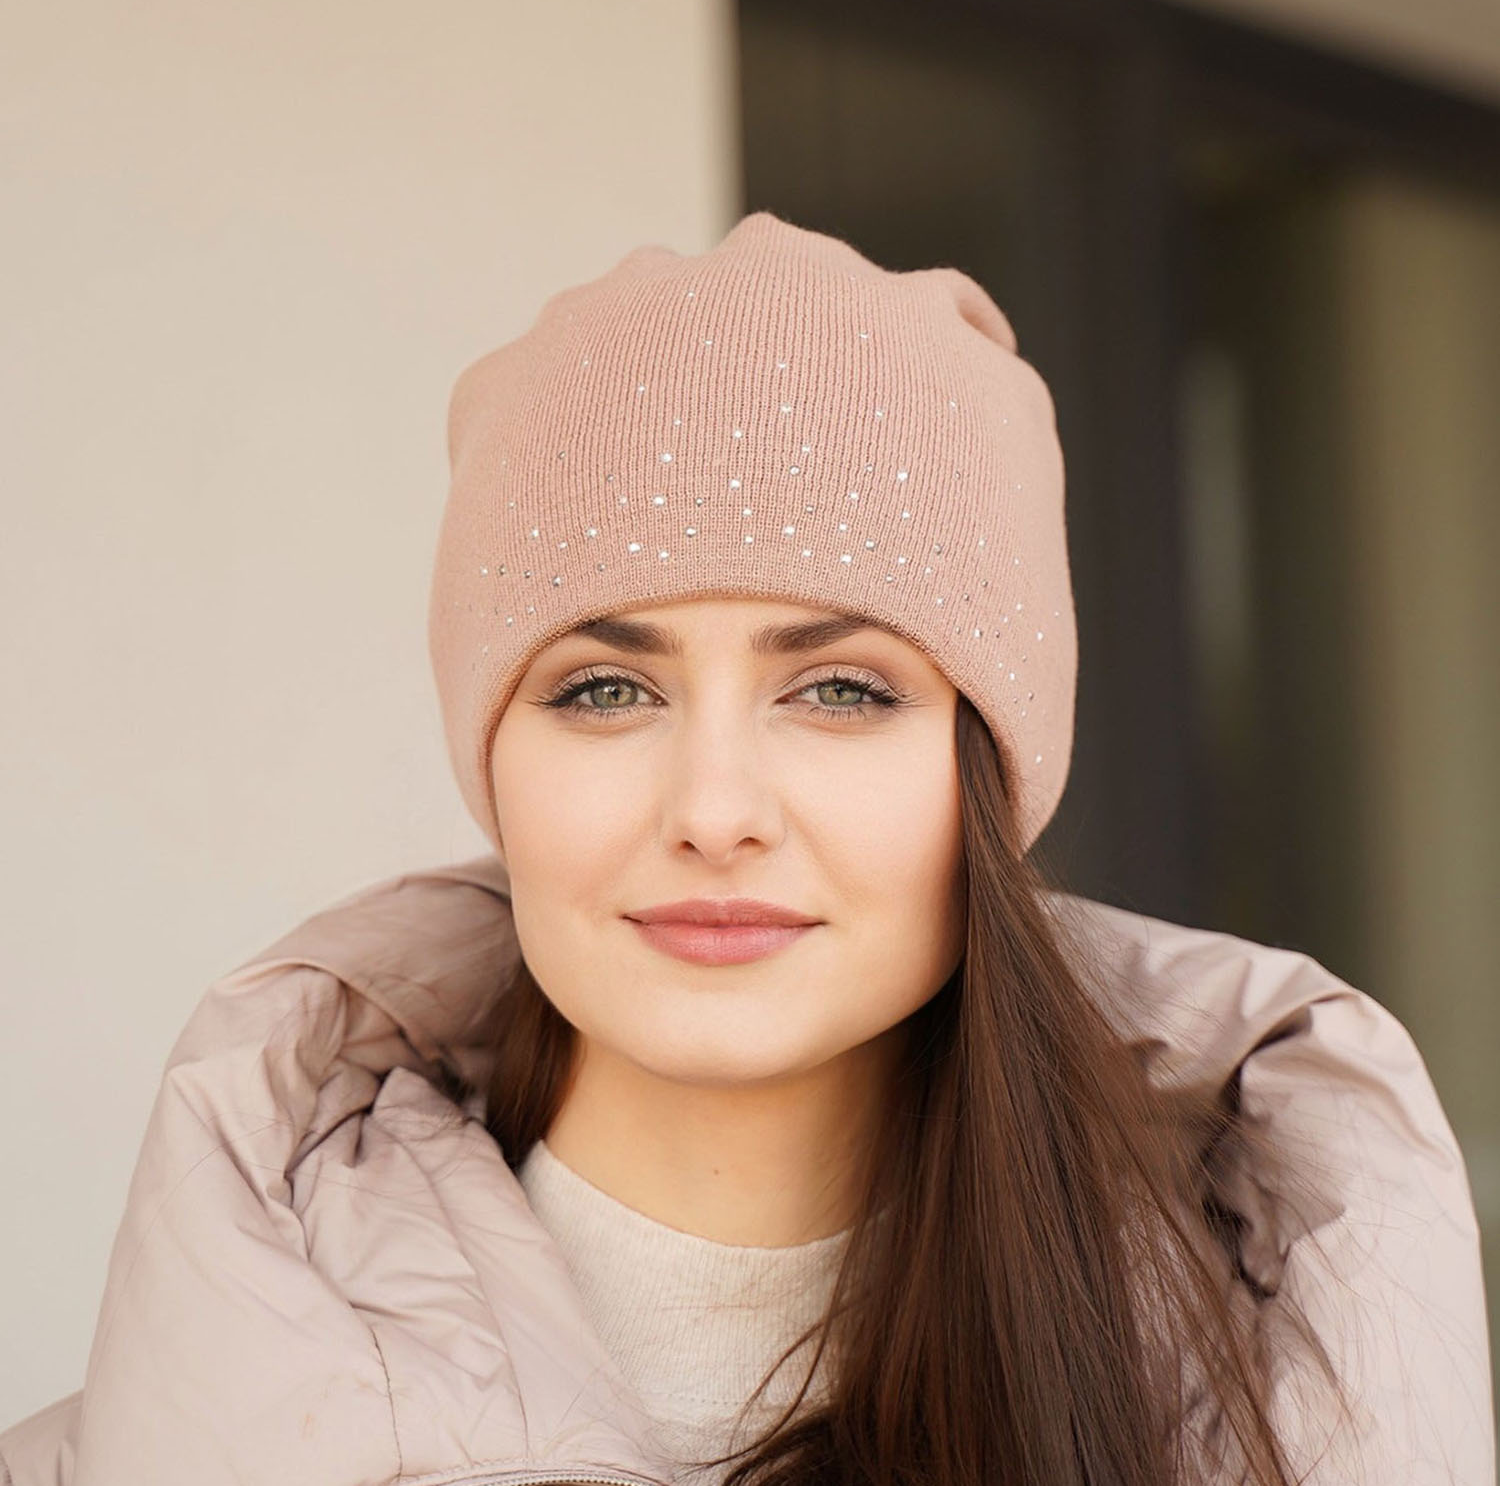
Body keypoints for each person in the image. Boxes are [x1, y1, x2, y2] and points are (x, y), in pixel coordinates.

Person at [1, 211, 1492, 1486]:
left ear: (986, 772)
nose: (716, 807)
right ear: (493, 767)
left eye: (841, 689)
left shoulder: (1276, 1418)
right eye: (604, 688)